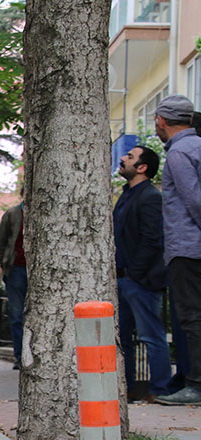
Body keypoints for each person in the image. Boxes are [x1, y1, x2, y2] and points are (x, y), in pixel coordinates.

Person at [152, 95, 201, 405]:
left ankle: (196, 385)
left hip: (188, 249)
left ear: (162, 122)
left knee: (193, 319)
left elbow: (194, 200)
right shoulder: (196, 146)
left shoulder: (179, 154)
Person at [113, 146, 170, 402]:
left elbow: (152, 238)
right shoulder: (126, 195)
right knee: (121, 337)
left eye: (130, 157)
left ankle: (159, 389)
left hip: (141, 281)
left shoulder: (150, 197)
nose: (124, 158)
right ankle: (129, 388)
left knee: (151, 336)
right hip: (122, 279)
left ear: (142, 167)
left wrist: (135, 273)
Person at [0, 197, 26, 370]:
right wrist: (6, 263)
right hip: (16, 270)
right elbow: (0, 241)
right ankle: (20, 356)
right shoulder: (13, 214)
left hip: (38, 271)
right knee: (16, 315)